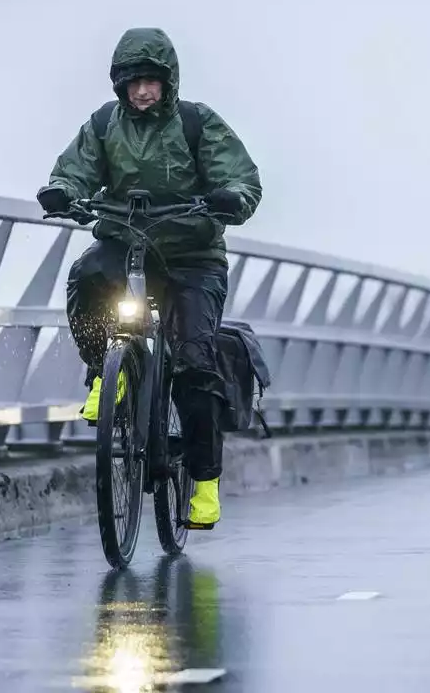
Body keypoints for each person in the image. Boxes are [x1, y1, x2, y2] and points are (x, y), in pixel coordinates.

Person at [35, 27, 263, 529]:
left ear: (169, 82)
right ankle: (105, 371)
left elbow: (241, 178)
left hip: (192, 256)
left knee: (196, 363)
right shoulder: (102, 124)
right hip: (128, 244)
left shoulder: (198, 123)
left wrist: (231, 197)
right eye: (133, 81)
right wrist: (61, 191)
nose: (142, 90)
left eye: (152, 81)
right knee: (89, 273)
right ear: (120, 84)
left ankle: (204, 484)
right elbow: (74, 171)